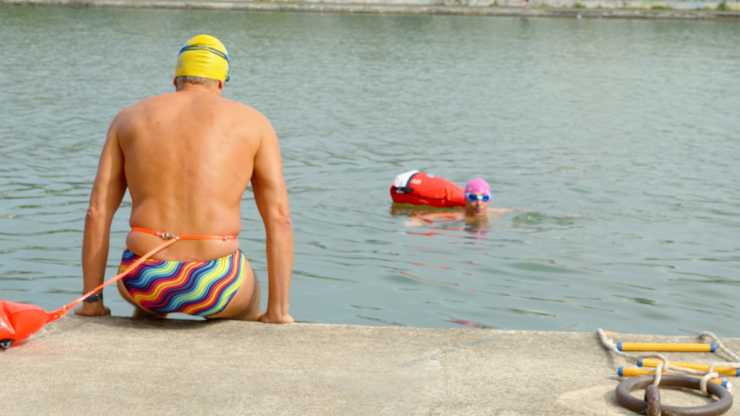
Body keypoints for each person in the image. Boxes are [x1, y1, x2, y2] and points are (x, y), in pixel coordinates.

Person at [75, 34, 294, 324]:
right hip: (218, 282)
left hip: (143, 277)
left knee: (151, 301)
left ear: (176, 80)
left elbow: (97, 212)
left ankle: (146, 321)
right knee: (247, 305)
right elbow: (279, 219)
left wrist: (91, 302)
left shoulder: (129, 118)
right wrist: (277, 311)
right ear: (220, 82)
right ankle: (262, 320)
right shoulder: (254, 122)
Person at [390, 171, 511, 225]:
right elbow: (430, 217)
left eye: (484, 198)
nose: (479, 203)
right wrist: (415, 221)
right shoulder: (459, 215)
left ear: (490, 199)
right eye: (473, 197)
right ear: (466, 198)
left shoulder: (494, 213)